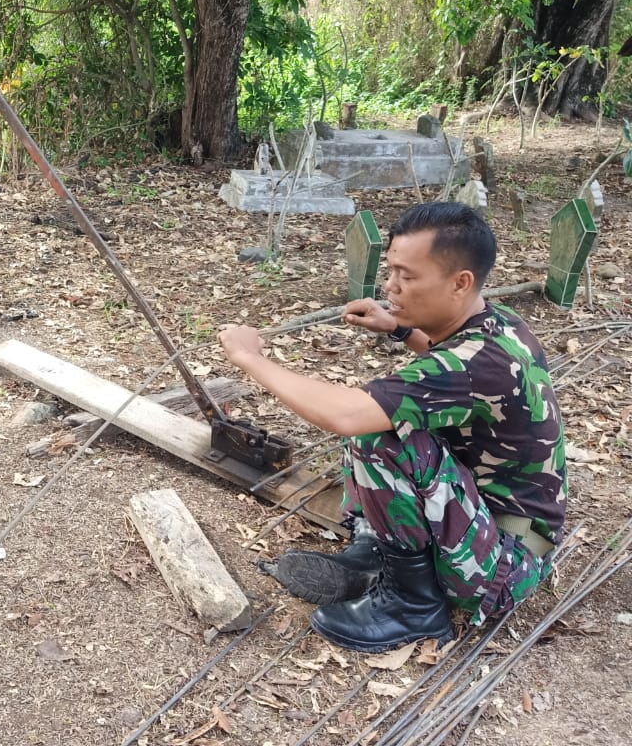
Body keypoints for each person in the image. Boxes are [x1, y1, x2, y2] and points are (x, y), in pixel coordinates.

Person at [218, 202, 566, 652]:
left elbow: (345, 414)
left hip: (501, 567)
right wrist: (399, 330)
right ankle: (376, 552)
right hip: (502, 529)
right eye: (391, 272)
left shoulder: (476, 363)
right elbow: (456, 376)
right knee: (386, 415)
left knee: (378, 432)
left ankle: (412, 606)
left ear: (460, 282)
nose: (391, 287)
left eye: (408, 276)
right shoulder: (499, 329)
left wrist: (250, 358)